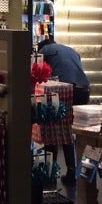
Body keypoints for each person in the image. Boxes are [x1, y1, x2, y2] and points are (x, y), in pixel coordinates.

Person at [37, 37, 90, 183]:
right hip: (83, 90)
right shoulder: (70, 50)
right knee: (68, 130)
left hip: (64, 90)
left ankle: (50, 172)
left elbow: (38, 74)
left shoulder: (44, 50)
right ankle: (72, 172)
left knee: (51, 128)